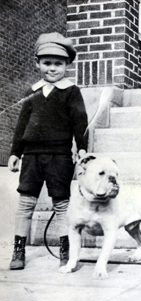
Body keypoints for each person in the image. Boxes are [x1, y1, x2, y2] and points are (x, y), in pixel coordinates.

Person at [8, 32, 88, 270]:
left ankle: (66, 251)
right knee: (26, 203)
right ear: (37, 63)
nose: (52, 69)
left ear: (67, 65)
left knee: (61, 204)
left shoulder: (71, 91)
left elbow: (80, 124)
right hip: (31, 157)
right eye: (47, 63)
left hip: (60, 156)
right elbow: (21, 125)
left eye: (58, 64)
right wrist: (15, 153)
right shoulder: (31, 92)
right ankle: (18, 251)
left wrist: (82, 149)